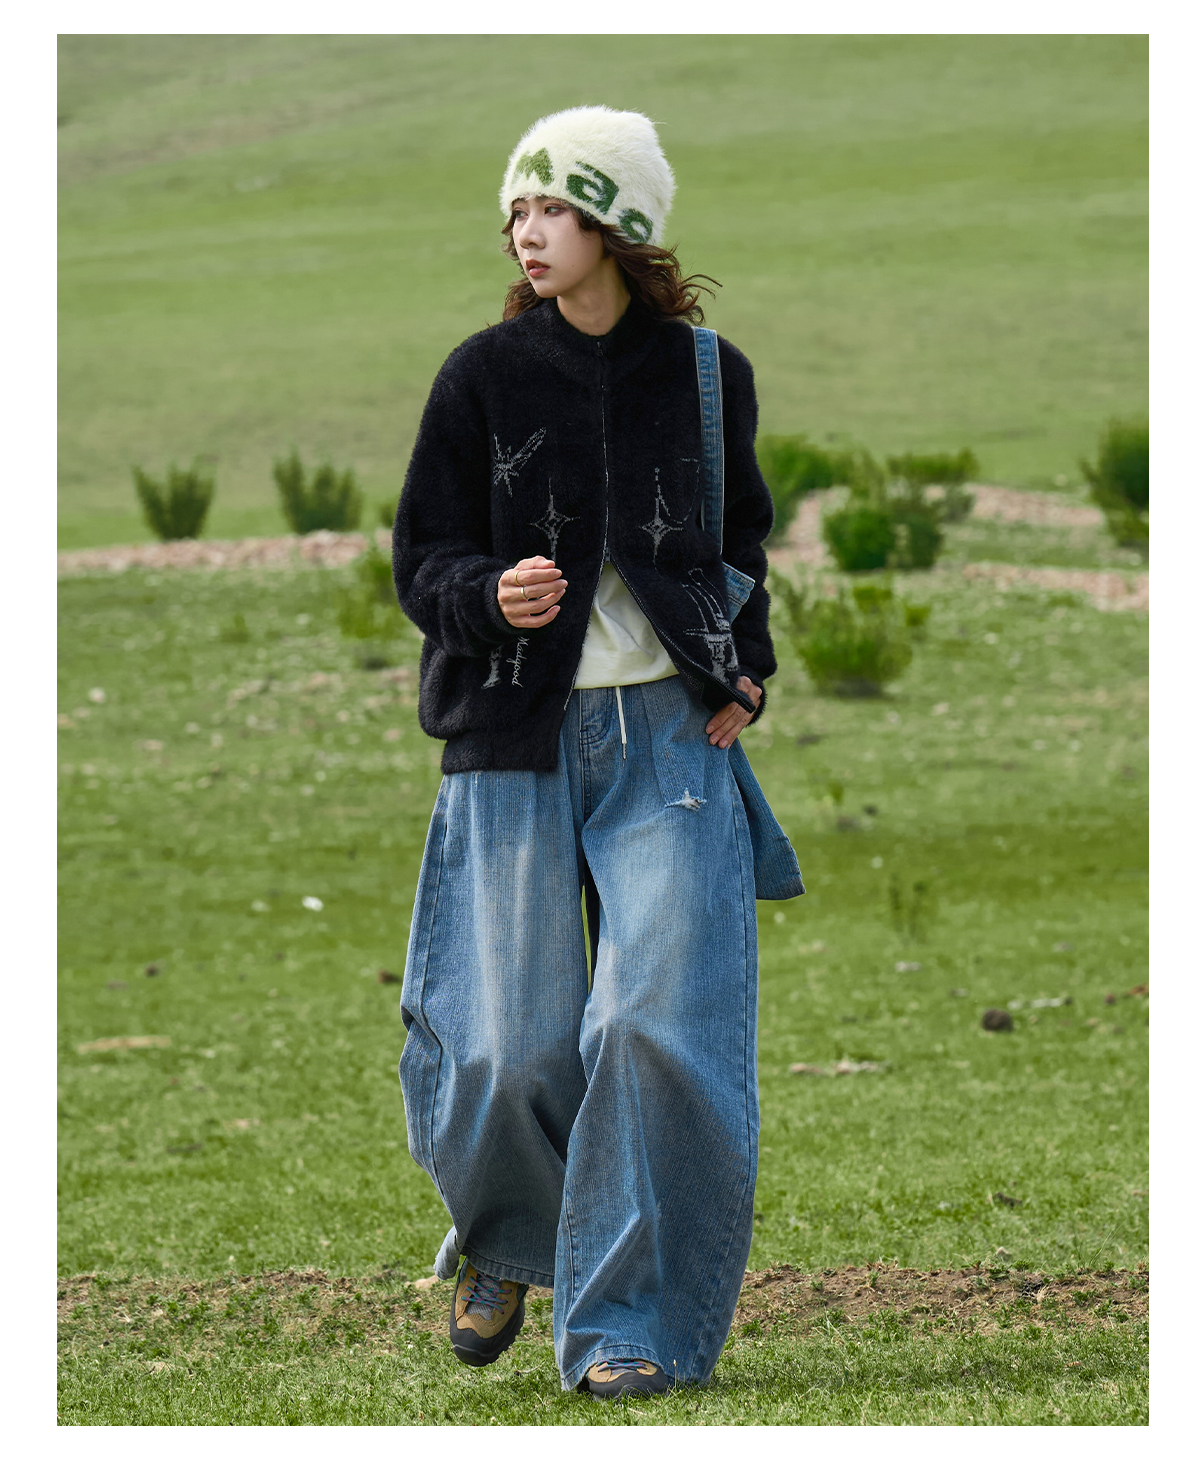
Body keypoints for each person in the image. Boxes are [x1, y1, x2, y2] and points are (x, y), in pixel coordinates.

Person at [392, 105, 800, 1401]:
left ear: (620, 227)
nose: (529, 232)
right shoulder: (479, 375)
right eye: (517, 210)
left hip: (669, 736)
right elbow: (422, 558)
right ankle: (512, 1238)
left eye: (557, 209)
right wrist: (483, 596)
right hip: (511, 734)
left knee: (652, 1025)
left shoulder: (707, 374)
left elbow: (740, 540)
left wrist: (745, 665)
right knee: (502, 1047)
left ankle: (629, 1327)